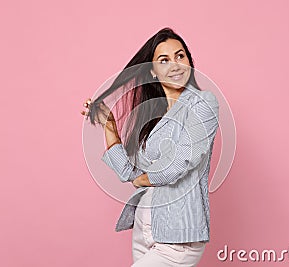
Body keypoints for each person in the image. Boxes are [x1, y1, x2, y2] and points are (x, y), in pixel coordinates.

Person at [81, 27, 219, 266]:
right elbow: (129, 173)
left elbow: (179, 163)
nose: (175, 65)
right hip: (145, 230)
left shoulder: (203, 104)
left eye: (180, 56)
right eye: (164, 60)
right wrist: (110, 127)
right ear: (152, 71)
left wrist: (142, 180)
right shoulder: (155, 117)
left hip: (178, 236)